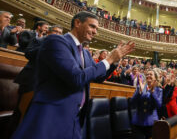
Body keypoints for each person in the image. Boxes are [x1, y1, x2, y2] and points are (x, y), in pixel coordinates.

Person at [12, 11, 135, 139]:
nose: (95, 32)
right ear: (77, 23)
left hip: (74, 119)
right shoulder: (56, 41)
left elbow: (98, 77)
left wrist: (114, 61)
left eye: (96, 29)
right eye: (92, 26)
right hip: (50, 116)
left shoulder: (86, 54)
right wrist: (108, 59)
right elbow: (76, 78)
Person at [131, 69, 162, 139]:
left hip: (151, 123)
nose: (148, 75)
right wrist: (139, 92)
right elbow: (132, 103)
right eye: (147, 74)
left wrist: (153, 92)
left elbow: (159, 105)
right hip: (138, 122)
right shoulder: (140, 87)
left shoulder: (159, 90)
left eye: (151, 74)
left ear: (155, 78)